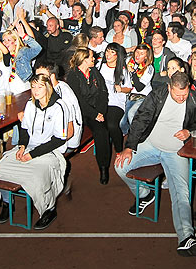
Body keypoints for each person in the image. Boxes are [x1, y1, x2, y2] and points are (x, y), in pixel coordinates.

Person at [115, 72, 196, 257]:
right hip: (151, 145)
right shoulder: (157, 95)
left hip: (176, 152)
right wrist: (129, 147)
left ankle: (187, 238)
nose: (181, 98)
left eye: (184, 94)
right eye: (177, 94)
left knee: (181, 193)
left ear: (189, 87)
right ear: (169, 87)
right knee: (120, 167)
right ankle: (144, 194)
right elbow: (140, 119)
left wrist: (189, 131)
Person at [0, 74, 71, 230]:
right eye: (33, 87)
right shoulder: (30, 104)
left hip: (50, 151)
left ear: (48, 87)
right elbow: (25, 129)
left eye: (40, 87)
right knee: (0, 168)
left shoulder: (59, 107)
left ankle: (49, 209)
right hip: (29, 147)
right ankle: (7, 203)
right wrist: (22, 146)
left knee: (36, 177)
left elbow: (59, 140)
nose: (36, 90)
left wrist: (32, 155)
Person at [64, 48, 109, 182]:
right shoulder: (73, 76)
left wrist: (100, 112)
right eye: (91, 57)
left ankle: (103, 167)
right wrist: (95, 114)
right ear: (83, 60)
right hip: (81, 112)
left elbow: (103, 92)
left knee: (102, 132)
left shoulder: (94, 72)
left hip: (96, 110)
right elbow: (78, 100)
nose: (94, 59)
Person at [96, 43, 132, 184]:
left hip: (116, 103)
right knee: (101, 130)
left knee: (111, 124)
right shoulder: (100, 65)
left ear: (118, 55)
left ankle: (118, 150)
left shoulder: (122, 70)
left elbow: (129, 88)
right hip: (101, 102)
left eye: (112, 52)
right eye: (107, 51)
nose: (108, 54)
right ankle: (103, 167)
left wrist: (121, 89)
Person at [121, 45, 154, 134]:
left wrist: (133, 72)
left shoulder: (149, 68)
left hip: (143, 96)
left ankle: (138, 136)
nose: (138, 55)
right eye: (137, 52)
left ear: (146, 56)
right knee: (121, 122)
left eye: (142, 53)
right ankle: (127, 134)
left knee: (131, 114)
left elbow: (139, 88)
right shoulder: (129, 61)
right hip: (130, 95)